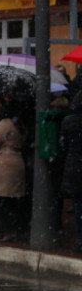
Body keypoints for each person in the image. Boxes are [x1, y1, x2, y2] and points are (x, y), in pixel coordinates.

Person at [0, 98, 27, 242]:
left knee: (3, 200)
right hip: (17, 161)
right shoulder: (21, 124)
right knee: (14, 199)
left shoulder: (5, 123)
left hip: (4, 163)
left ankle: (6, 230)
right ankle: (16, 229)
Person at [59, 91, 82, 252]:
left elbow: (62, 145)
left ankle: (81, 239)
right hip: (75, 166)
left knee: (78, 205)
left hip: (74, 168)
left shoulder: (68, 121)